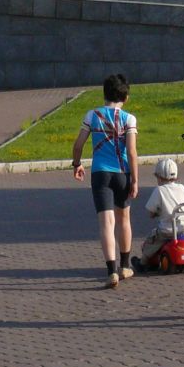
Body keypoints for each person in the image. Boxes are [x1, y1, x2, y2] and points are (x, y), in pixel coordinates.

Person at [71, 73, 139, 288]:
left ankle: (111, 271)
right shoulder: (129, 119)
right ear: (126, 97)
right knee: (124, 219)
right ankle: (125, 265)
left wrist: (77, 163)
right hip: (122, 173)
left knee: (106, 224)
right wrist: (135, 180)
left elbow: (78, 143)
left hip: (100, 174)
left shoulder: (92, 115)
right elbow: (132, 150)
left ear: (104, 94)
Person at [136, 155, 184, 266]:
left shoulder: (159, 190)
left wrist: (155, 213)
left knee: (152, 240)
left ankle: (143, 262)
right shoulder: (182, 188)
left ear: (159, 177)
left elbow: (150, 211)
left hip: (168, 231)